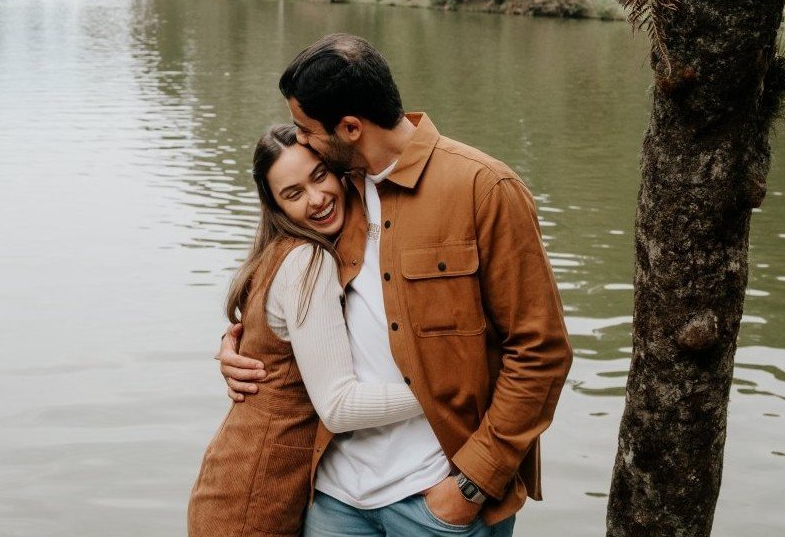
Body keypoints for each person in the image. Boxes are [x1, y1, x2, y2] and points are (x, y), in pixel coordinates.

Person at [217, 34, 573, 536]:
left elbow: (541, 352)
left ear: (350, 128)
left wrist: (471, 486)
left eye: (306, 130)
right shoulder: (335, 193)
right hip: (334, 501)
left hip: (438, 502)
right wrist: (238, 346)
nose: (301, 141)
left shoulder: (484, 189)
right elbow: (286, 291)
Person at [188, 125, 425, 537]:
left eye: (319, 176)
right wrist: (443, 395)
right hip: (256, 498)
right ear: (276, 206)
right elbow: (339, 407)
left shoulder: (276, 253)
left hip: (232, 478)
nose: (316, 199)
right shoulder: (308, 261)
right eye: (294, 193)